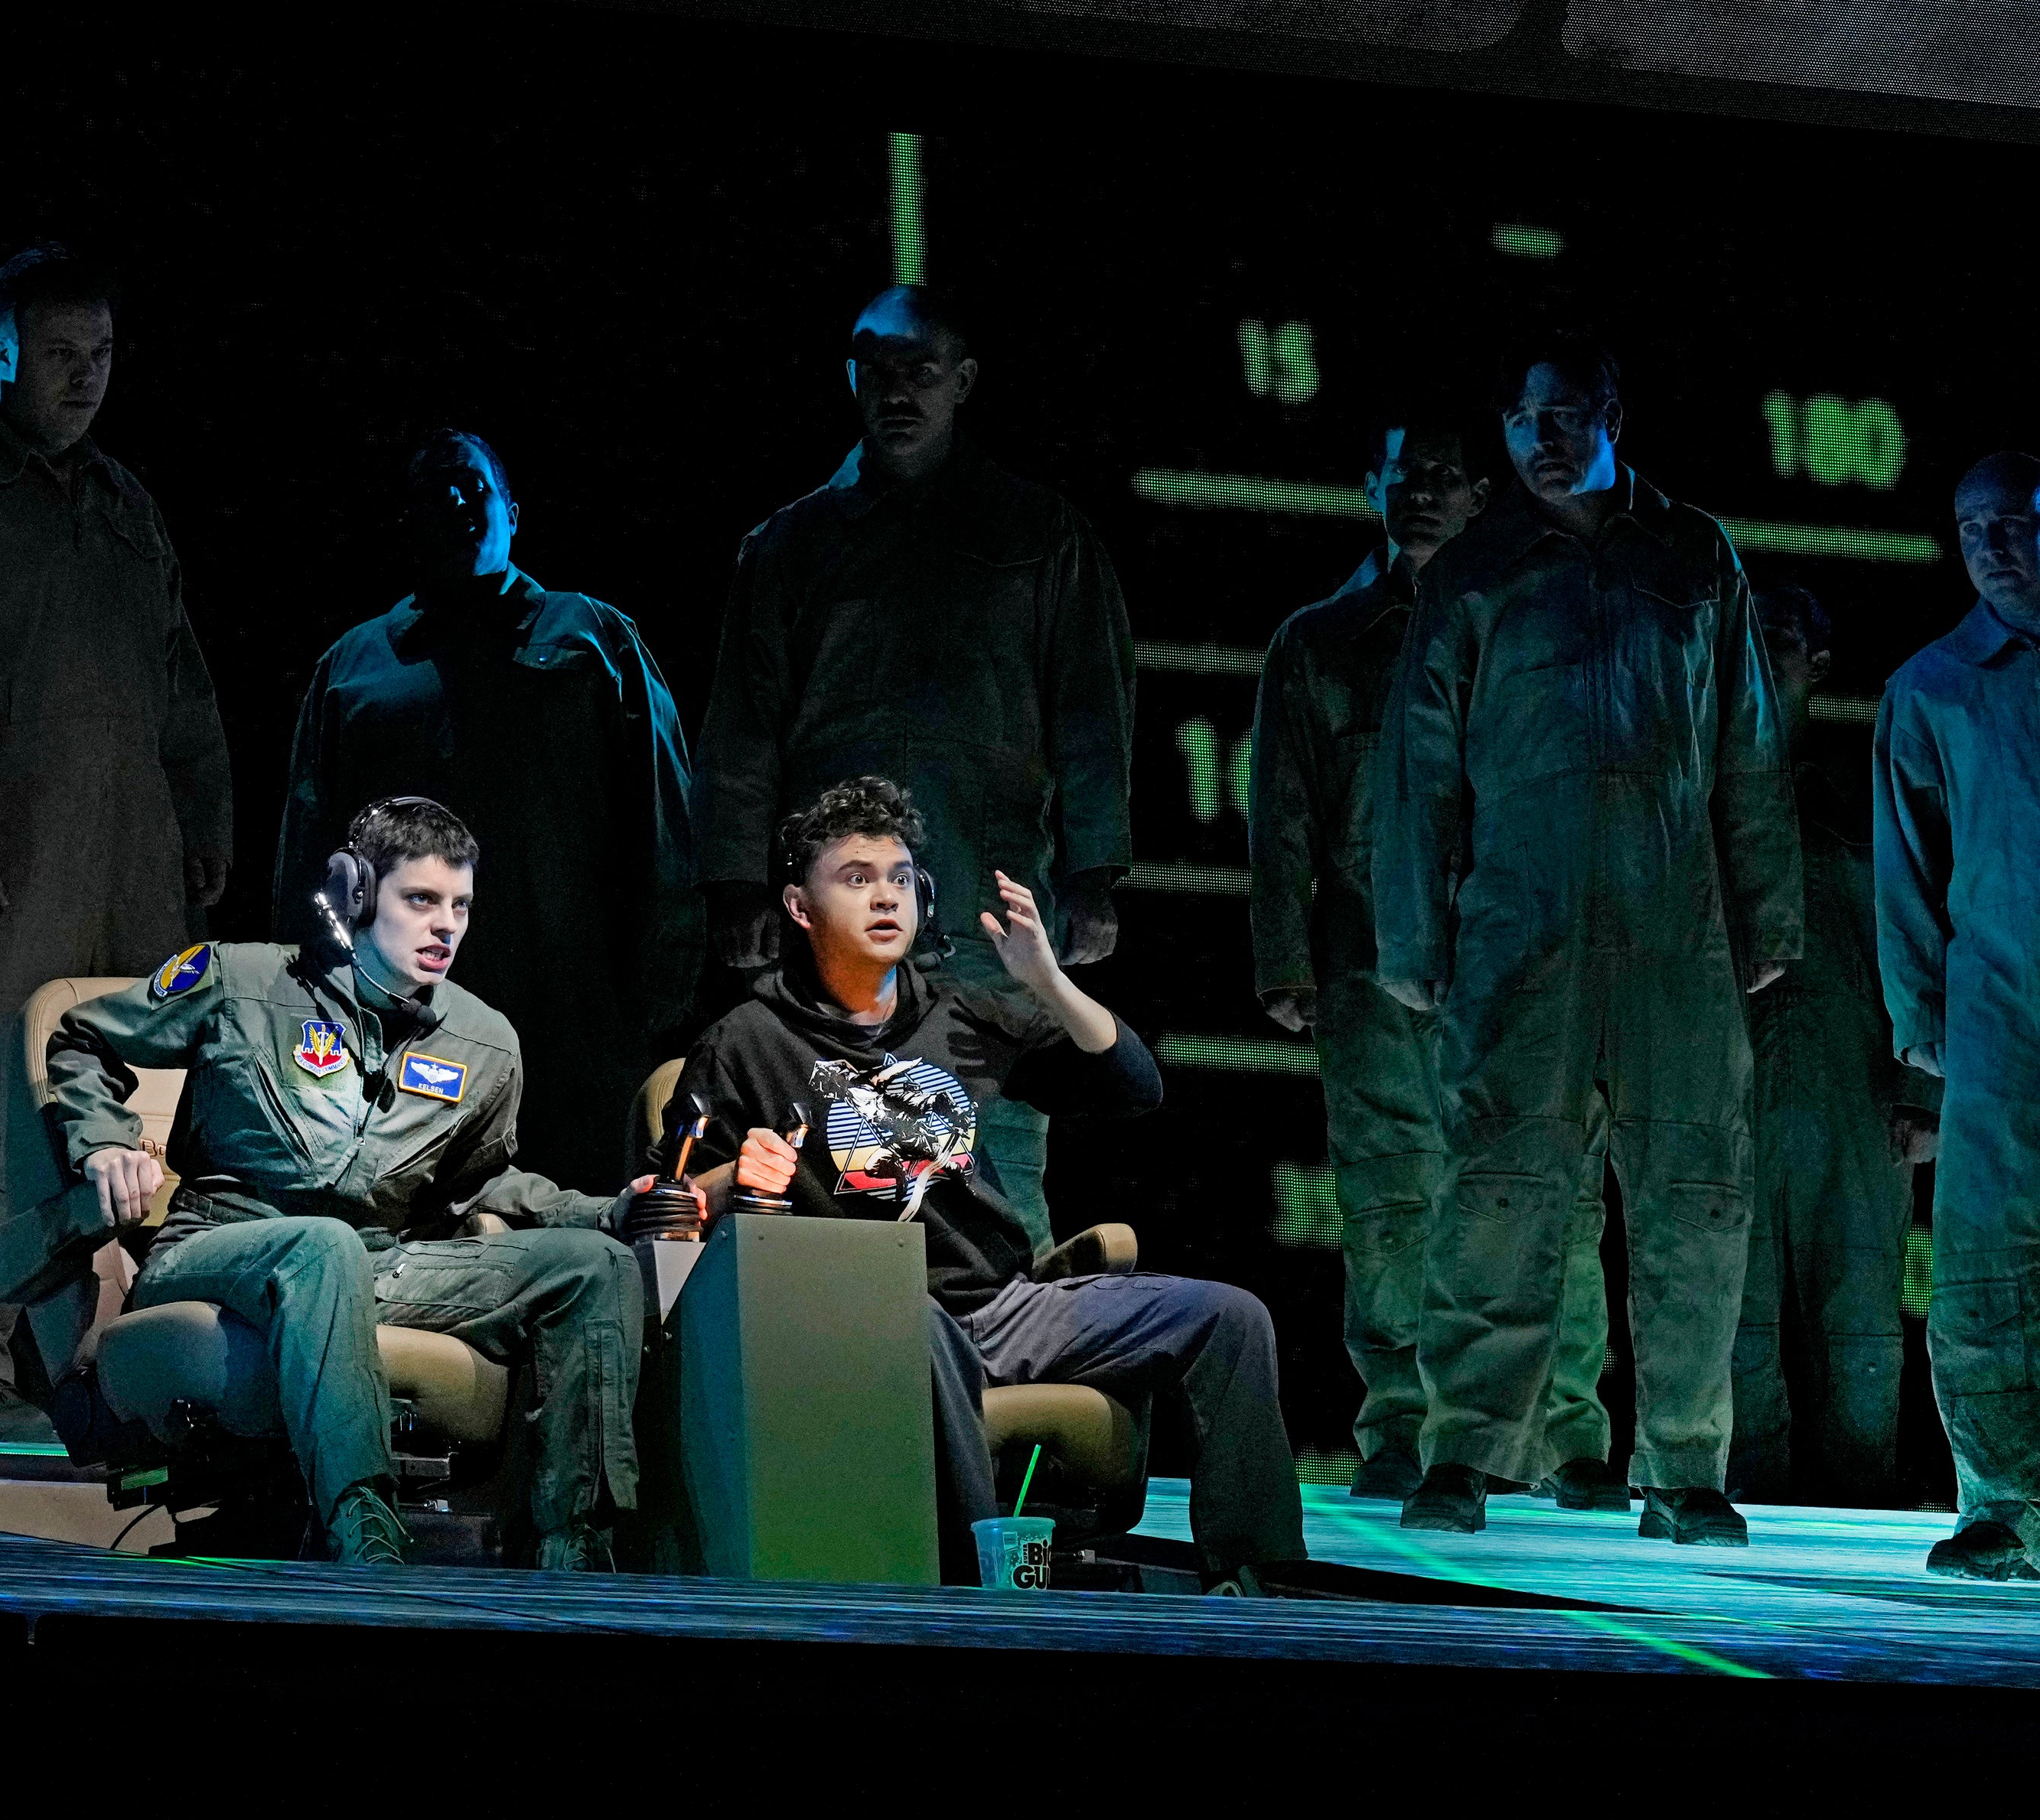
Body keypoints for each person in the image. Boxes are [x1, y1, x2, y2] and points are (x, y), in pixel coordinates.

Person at [665, 776, 1305, 1590]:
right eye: (856, 878)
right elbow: (665, 1206)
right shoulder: (746, 1041)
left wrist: (1047, 979)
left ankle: (1255, 1579)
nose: (886, 896)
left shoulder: (958, 1014)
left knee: (1231, 1316)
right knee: (920, 1325)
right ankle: (974, 1593)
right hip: (861, 1319)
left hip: (1004, 1307)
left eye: (901, 878)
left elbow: (1134, 1085)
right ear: (799, 906)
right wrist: (732, 1176)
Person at [1374, 334, 1799, 1545]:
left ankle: (1686, 1466)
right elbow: (1418, 768)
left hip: (1675, 932)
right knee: (1496, 1192)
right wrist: (1413, 935)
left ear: (1612, 414)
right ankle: (1465, 1452)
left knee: (1695, 1196)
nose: (1539, 441)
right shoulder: (1476, 569)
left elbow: (1750, 747)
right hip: (1523, 932)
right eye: (1519, 421)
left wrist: (1768, 916)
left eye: (1561, 416)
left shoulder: (1694, 553)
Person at [41, 797, 673, 1568]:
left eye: (461, 906)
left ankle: (577, 1548)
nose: (446, 926)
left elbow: (483, 1183)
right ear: (356, 893)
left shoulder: (484, 1041)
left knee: (595, 1266)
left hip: (374, 1260)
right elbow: (83, 1038)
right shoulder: (239, 980)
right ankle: (363, 1531)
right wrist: (104, 1142)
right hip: (214, 1246)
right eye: (422, 899)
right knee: (322, 1244)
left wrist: (609, 1212)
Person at [0, 243, 233, 1440]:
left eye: (101, 355)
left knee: (127, 1102)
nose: (84, 378)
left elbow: (181, 682)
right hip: (4, 854)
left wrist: (203, 822)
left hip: (128, 861)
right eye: (59, 355)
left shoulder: (123, 504)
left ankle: (107, 1358)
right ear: (3, 353)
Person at [694, 285, 1135, 1247]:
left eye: (921, 371)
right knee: (833, 1155)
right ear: (851, 379)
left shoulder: (1040, 535)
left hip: (986, 896)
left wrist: (1094, 874)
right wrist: (736, 884)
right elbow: (743, 728)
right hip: (837, 916)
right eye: (879, 370)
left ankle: (1009, 1327)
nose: (899, 391)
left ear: (963, 381)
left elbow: (1091, 715)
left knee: (997, 1154)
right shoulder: (791, 544)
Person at [1253, 418, 1590, 1503]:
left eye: (1444, 477)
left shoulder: (1539, 615)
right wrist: (1284, 958)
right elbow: (1283, 810)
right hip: (1367, 953)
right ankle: (1400, 1419)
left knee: (1543, 1184)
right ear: (1372, 486)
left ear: (1483, 495)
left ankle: (1565, 1428)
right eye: (1403, 476)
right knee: (1392, 1192)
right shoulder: (1320, 640)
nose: (1422, 494)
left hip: (1518, 950)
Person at [275, 431, 697, 1188]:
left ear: (513, 512)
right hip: (404, 1014)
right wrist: (310, 995)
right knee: (419, 1213)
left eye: (474, 485)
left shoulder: (592, 636)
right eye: (435, 488)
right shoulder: (356, 667)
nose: (457, 500)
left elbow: (665, 818)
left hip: (573, 1007)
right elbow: (310, 848)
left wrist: (661, 990)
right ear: (407, 523)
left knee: (584, 1211)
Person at [1728, 582, 1937, 1508]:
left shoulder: (1863, 788)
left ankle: (1853, 1511)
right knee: (1733, 1314)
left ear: (1817, 662)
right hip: (1728, 1086)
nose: (1757, 652)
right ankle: (1738, 1513)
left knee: (1856, 1313)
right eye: (1745, 636)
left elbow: (1920, 932)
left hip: (1854, 1089)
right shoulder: (1696, 790)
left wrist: (1922, 1088)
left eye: (1777, 638)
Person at [1875, 452, 2040, 1579]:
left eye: (2013, 522)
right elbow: (1905, 868)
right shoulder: (1933, 686)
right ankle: (2004, 1501)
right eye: (1971, 528)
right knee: (1989, 1257)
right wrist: (1921, 1015)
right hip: (2000, 1005)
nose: (1991, 546)